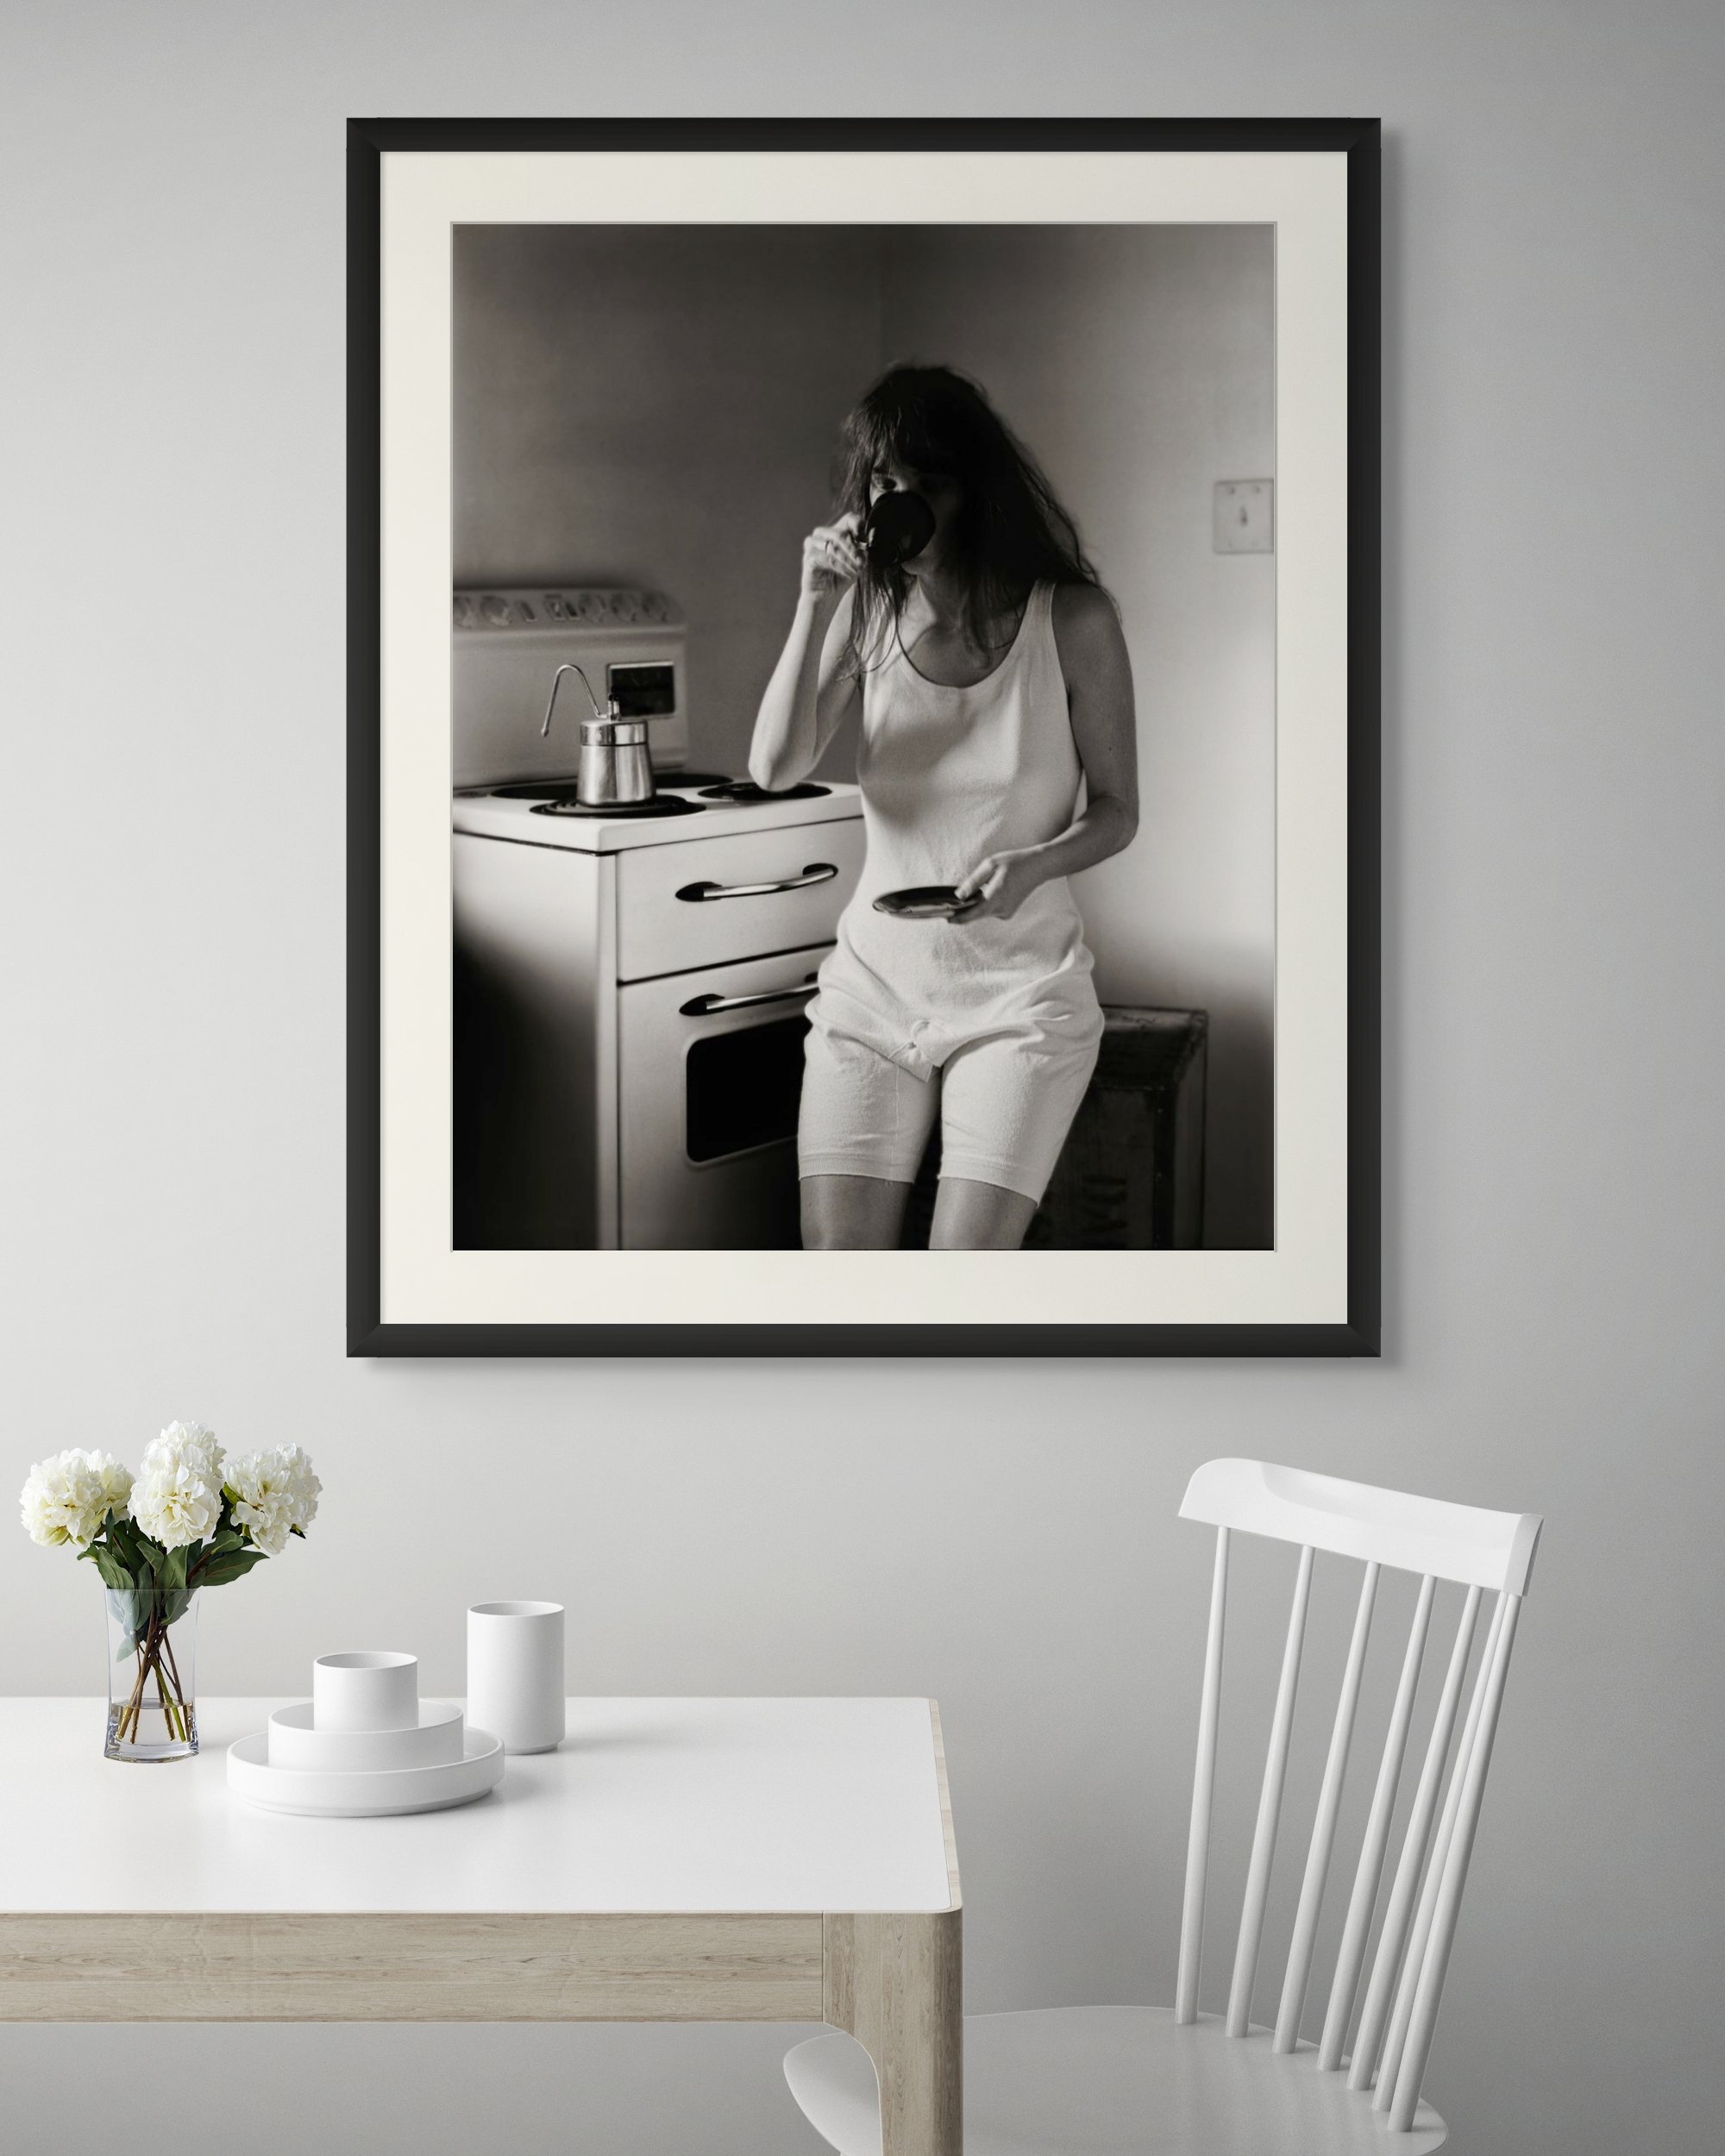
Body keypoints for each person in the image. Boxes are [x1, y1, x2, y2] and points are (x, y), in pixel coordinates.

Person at [750, 362, 1139, 1251]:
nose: (901, 503)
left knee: (955, 1297)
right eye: (884, 482)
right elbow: (774, 767)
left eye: (928, 484)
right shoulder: (866, 619)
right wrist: (813, 607)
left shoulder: (1070, 621)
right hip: (872, 991)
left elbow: (1117, 809)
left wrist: (1036, 862)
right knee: (840, 1292)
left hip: (1016, 993)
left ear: (977, 494)